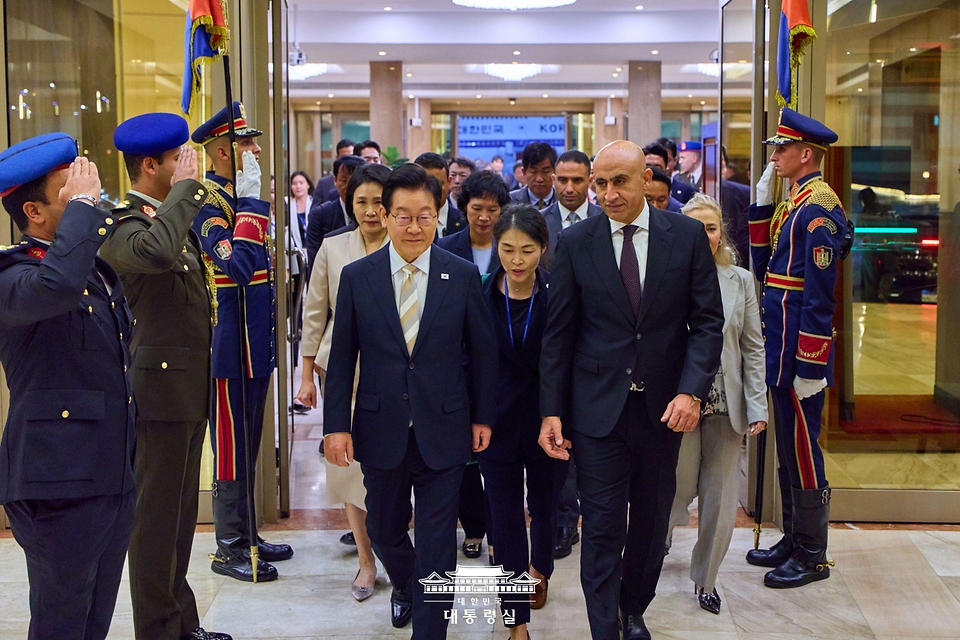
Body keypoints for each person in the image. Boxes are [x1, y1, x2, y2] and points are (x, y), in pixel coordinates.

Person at [539, 140, 723, 640]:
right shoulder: (577, 243)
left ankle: (633, 607)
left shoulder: (684, 237)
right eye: (600, 183)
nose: (608, 193)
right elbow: (560, 334)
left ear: (646, 178)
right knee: (600, 526)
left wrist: (691, 392)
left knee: (650, 523)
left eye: (619, 181)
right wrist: (551, 411)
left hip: (664, 410)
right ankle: (604, 628)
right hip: (597, 412)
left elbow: (708, 324)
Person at [323, 163, 498, 638]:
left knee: (440, 543)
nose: (414, 226)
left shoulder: (459, 275)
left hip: (444, 427)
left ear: (439, 215)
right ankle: (411, 584)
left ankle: (430, 628)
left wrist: (483, 416)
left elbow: (483, 354)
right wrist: (335, 425)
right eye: (403, 216)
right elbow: (341, 359)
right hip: (380, 428)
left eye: (425, 216)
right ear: (384, 214)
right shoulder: (359, 277)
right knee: (383, 529)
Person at [99, 114, 230, 640]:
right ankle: (157, 630)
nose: (189, 166)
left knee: (177, 522)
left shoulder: (170, 217)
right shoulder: (123, 224)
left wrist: (181, 196)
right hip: (154, 396)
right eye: (179, 158)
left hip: (185, 389)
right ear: (150, 165)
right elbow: (153, 255)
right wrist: (186, 193)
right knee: (154, 526)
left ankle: (181, 623)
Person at [0, 134, 136, 640]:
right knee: (60, 623)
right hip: (55, 483)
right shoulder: (14, 276)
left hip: (108, 475)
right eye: (71, 188)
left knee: (94, 619)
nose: (89, 192)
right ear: (33, 210)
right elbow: (54, 287)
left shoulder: (94, 272)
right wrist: (83, 210)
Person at [191, 101, 294, 582]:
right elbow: (234, 265)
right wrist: (252, 204)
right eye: (246, 143)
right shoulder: (208, 205)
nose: (255, 150)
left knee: (249, 444)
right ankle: (228, 545)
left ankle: (248, 533)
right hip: (229, 350)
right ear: (222, 152)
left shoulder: (240, 196)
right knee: (231, 449)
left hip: (256, 345)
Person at [745, 108, 847, 589]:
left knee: (804, 448)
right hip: (779, 346)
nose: (775, 157)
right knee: (788, 444)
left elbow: (820, 293)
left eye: (781, 149)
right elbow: (766, 267)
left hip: (798, 352)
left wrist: (810, 361)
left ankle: (813, 552)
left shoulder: (819, 209)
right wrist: (763, 208)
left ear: (805, 153)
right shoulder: (796, 201)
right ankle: (794, 536)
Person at [665, 194, 768, 616]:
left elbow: (753, 346)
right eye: (695, 227)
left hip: (728, 404)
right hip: (679, 403)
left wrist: (757, 404)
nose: (704, 235)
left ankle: (706, 579)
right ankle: (661, 538)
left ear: (721, 231)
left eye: (711, 227)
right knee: (677, 487)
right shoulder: (664, 277)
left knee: (720, 497)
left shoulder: (740, 279)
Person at [296, 163, 391, 602]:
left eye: (378, 202)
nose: (370, 211)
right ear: (348, 204)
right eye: (361, 203)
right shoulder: (334, 248)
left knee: (393, 466)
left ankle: (398, 550)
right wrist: (306, 374)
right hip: (342, 371)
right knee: (350, 470)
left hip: (394, 372)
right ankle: (366, 561)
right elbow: (314, 312)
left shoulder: (406, 245)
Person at [478, 205, 567, 639]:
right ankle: (516, 623)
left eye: (527, 251)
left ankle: (542, 568)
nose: (516, 260)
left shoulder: (557, 293)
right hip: (495, 424)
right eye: (508, 249)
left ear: (543, 249)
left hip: (548, 422)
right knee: (506, 517)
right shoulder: (480, 294)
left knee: (546, 505)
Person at [438, 169, 511, 275]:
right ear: (465, 207)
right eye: (477, 209)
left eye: (492, 210)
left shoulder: (511, 248)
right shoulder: (445, 247)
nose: (484, 217)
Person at [540, 149, 604, 268]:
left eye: (577, 180)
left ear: (590, 181)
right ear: (553, 180)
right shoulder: (538, 221)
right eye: (563, 180)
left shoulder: (606, 219)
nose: (569, 188)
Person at [306, 155, 365, 267]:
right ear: (335, 181)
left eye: (354, 181)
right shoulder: (320, 215)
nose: (349, 187)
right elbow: (315, 263)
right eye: (344, 180)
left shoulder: (374, 215)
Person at [414, 151, 466, 237]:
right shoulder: (403, 222)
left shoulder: (465, 221)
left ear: (449, 182)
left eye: (437, 183)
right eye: (424, 184)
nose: (431, 190)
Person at [510, 142, 557, 208]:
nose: (539, 179)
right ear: (524, 172)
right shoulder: (509, 201)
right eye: (533, 172)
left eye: (545, 171)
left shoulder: (565, 201)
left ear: (555, 172)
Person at [316, 138, 356, 204]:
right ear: (337, 158)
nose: (349, 161)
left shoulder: (364, 180)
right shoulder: (324, 184)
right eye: (344, 157)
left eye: (352, 156)